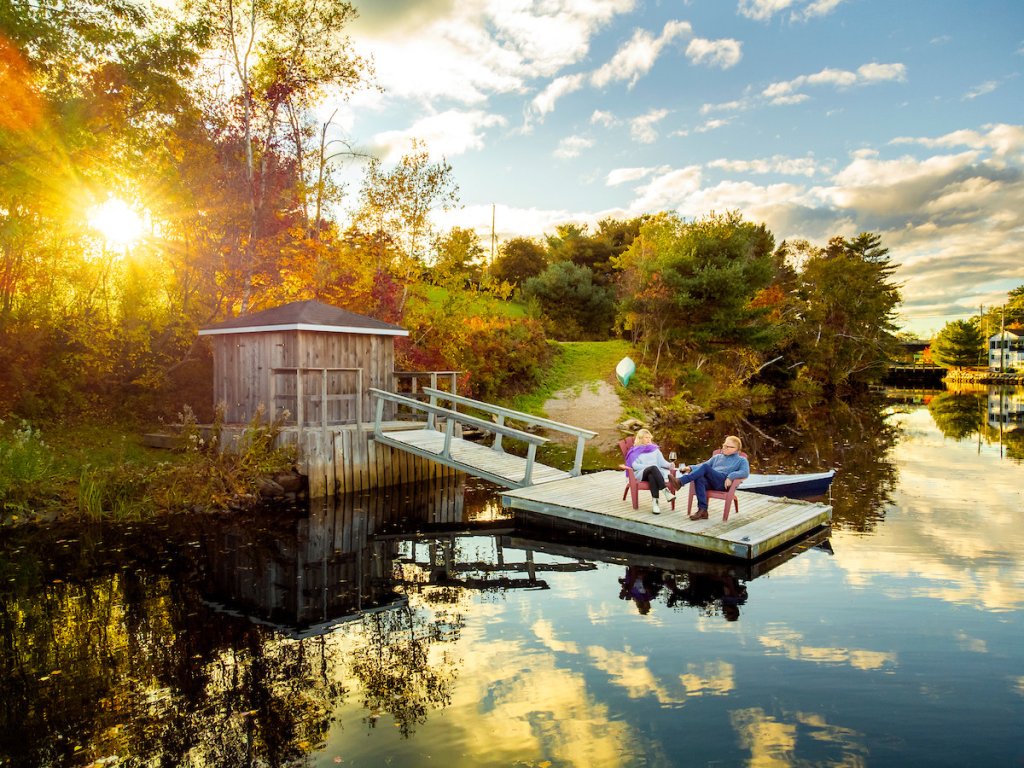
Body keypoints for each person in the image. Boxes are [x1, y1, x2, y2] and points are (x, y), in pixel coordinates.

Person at [675, 435, 749, 520]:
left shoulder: (741, 460)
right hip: (712, 482)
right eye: (724, 445)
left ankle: (681, 481)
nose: (725, 448)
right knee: (699, 478)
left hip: (723, 483)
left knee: (706, 468)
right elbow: (702, 466)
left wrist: (730, 476)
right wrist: (690, 468)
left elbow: (745, 472)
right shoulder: (717, 457)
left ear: (737, 449)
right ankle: (703, 510)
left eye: (729, 447)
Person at [624, 428, 676, 515]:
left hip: (655, 474)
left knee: (652, 476)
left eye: (649, 437)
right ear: (640, 439)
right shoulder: (634, 451)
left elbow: (662, 462)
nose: (649, 439)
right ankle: (666, 492)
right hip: (640, 473)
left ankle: (655, 504)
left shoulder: (654, 449)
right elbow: (635, 466)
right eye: (646, 437)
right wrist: (650, 467)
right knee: (653, 468)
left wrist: (670, 465)